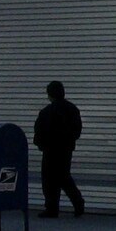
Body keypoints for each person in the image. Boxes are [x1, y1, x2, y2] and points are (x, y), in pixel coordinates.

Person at [34, 81, 85, 218]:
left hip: (50, 151)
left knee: (49, 180)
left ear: (50, 95)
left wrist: (41, 145)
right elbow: (77, 130)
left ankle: (52, 208)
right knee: (64, 177)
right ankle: (78, 203)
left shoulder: (46, 112)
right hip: (65, 150)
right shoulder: (72, 109)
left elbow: (39, 132)